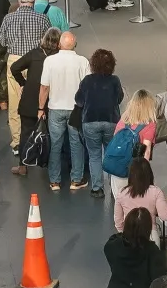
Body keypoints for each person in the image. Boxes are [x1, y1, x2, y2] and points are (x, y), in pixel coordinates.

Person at [0, 0, 52, 153]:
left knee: (15, 102)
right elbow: (47, 41)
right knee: (39, 100)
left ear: (19, 0)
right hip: (36, 61)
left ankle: (17, 142)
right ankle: (38, 136)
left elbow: (2, 41)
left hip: (15, 60)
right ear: (34, 0)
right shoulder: (42, 18)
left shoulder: (8, 18)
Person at [40, 31, 89, 190]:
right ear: (74, 44)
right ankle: (76, 179)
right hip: (76, 109)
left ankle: (55, 181)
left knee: (55, 144)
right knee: (76, 143)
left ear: (59, 44)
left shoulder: (49, 61)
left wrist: (40, 108)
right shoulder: (82, 61)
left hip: (55, 109)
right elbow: (87, 87)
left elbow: (44, 87)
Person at [75, 48, 125, 196]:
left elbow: (78, 100)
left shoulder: (87, 81)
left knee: (94, 155)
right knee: (111, 154)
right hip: (111, 122)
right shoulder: (115, 80)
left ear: (93, 64)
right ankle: (114, 187)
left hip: (90, 122)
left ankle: (97, 188)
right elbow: (119, 98)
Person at [9, 29, 55, 180]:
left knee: (26, 132)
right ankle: (49, 164)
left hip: (29, 101)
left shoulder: (35, 54)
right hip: (50, 102)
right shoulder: (57, 58)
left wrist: (23, 83)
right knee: (52, 134)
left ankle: (23, 165)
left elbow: (14, 67)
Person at [113, 156, 167, 241]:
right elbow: (165, 216)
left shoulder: (122, 192)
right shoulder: (156, 191)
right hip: (150, 236)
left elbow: (118, 222)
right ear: (149, 173)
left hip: (129, 236)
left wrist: (123, 234)